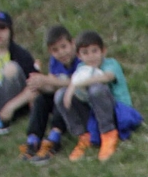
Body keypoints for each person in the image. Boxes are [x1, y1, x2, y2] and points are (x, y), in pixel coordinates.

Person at [56, 30, 131, 162]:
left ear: (103, 51)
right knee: (61, 95)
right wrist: (71, 89)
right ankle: (84, 135)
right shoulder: (81, 68)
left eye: (94, 51)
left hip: (117, 112)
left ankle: (108, 133)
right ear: (79, 55)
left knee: (96, 89)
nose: (91, 57)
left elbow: (107, 77)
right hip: (94, 113)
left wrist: (75, 84)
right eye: (85, 53)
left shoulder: (110, 64)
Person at [17, 25, 79, 163]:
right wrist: (41, 86)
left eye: (64, 47)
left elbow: (79, 81)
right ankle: (33, 139)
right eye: (55, 50)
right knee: (41, 99)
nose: (61, 53)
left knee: (61, 95)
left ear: (72, 43)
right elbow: (53, 84)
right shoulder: (55, 62)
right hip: (61, 97)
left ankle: (54, 137)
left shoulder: (80, 58)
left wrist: (47, 80)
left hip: (78, 102)